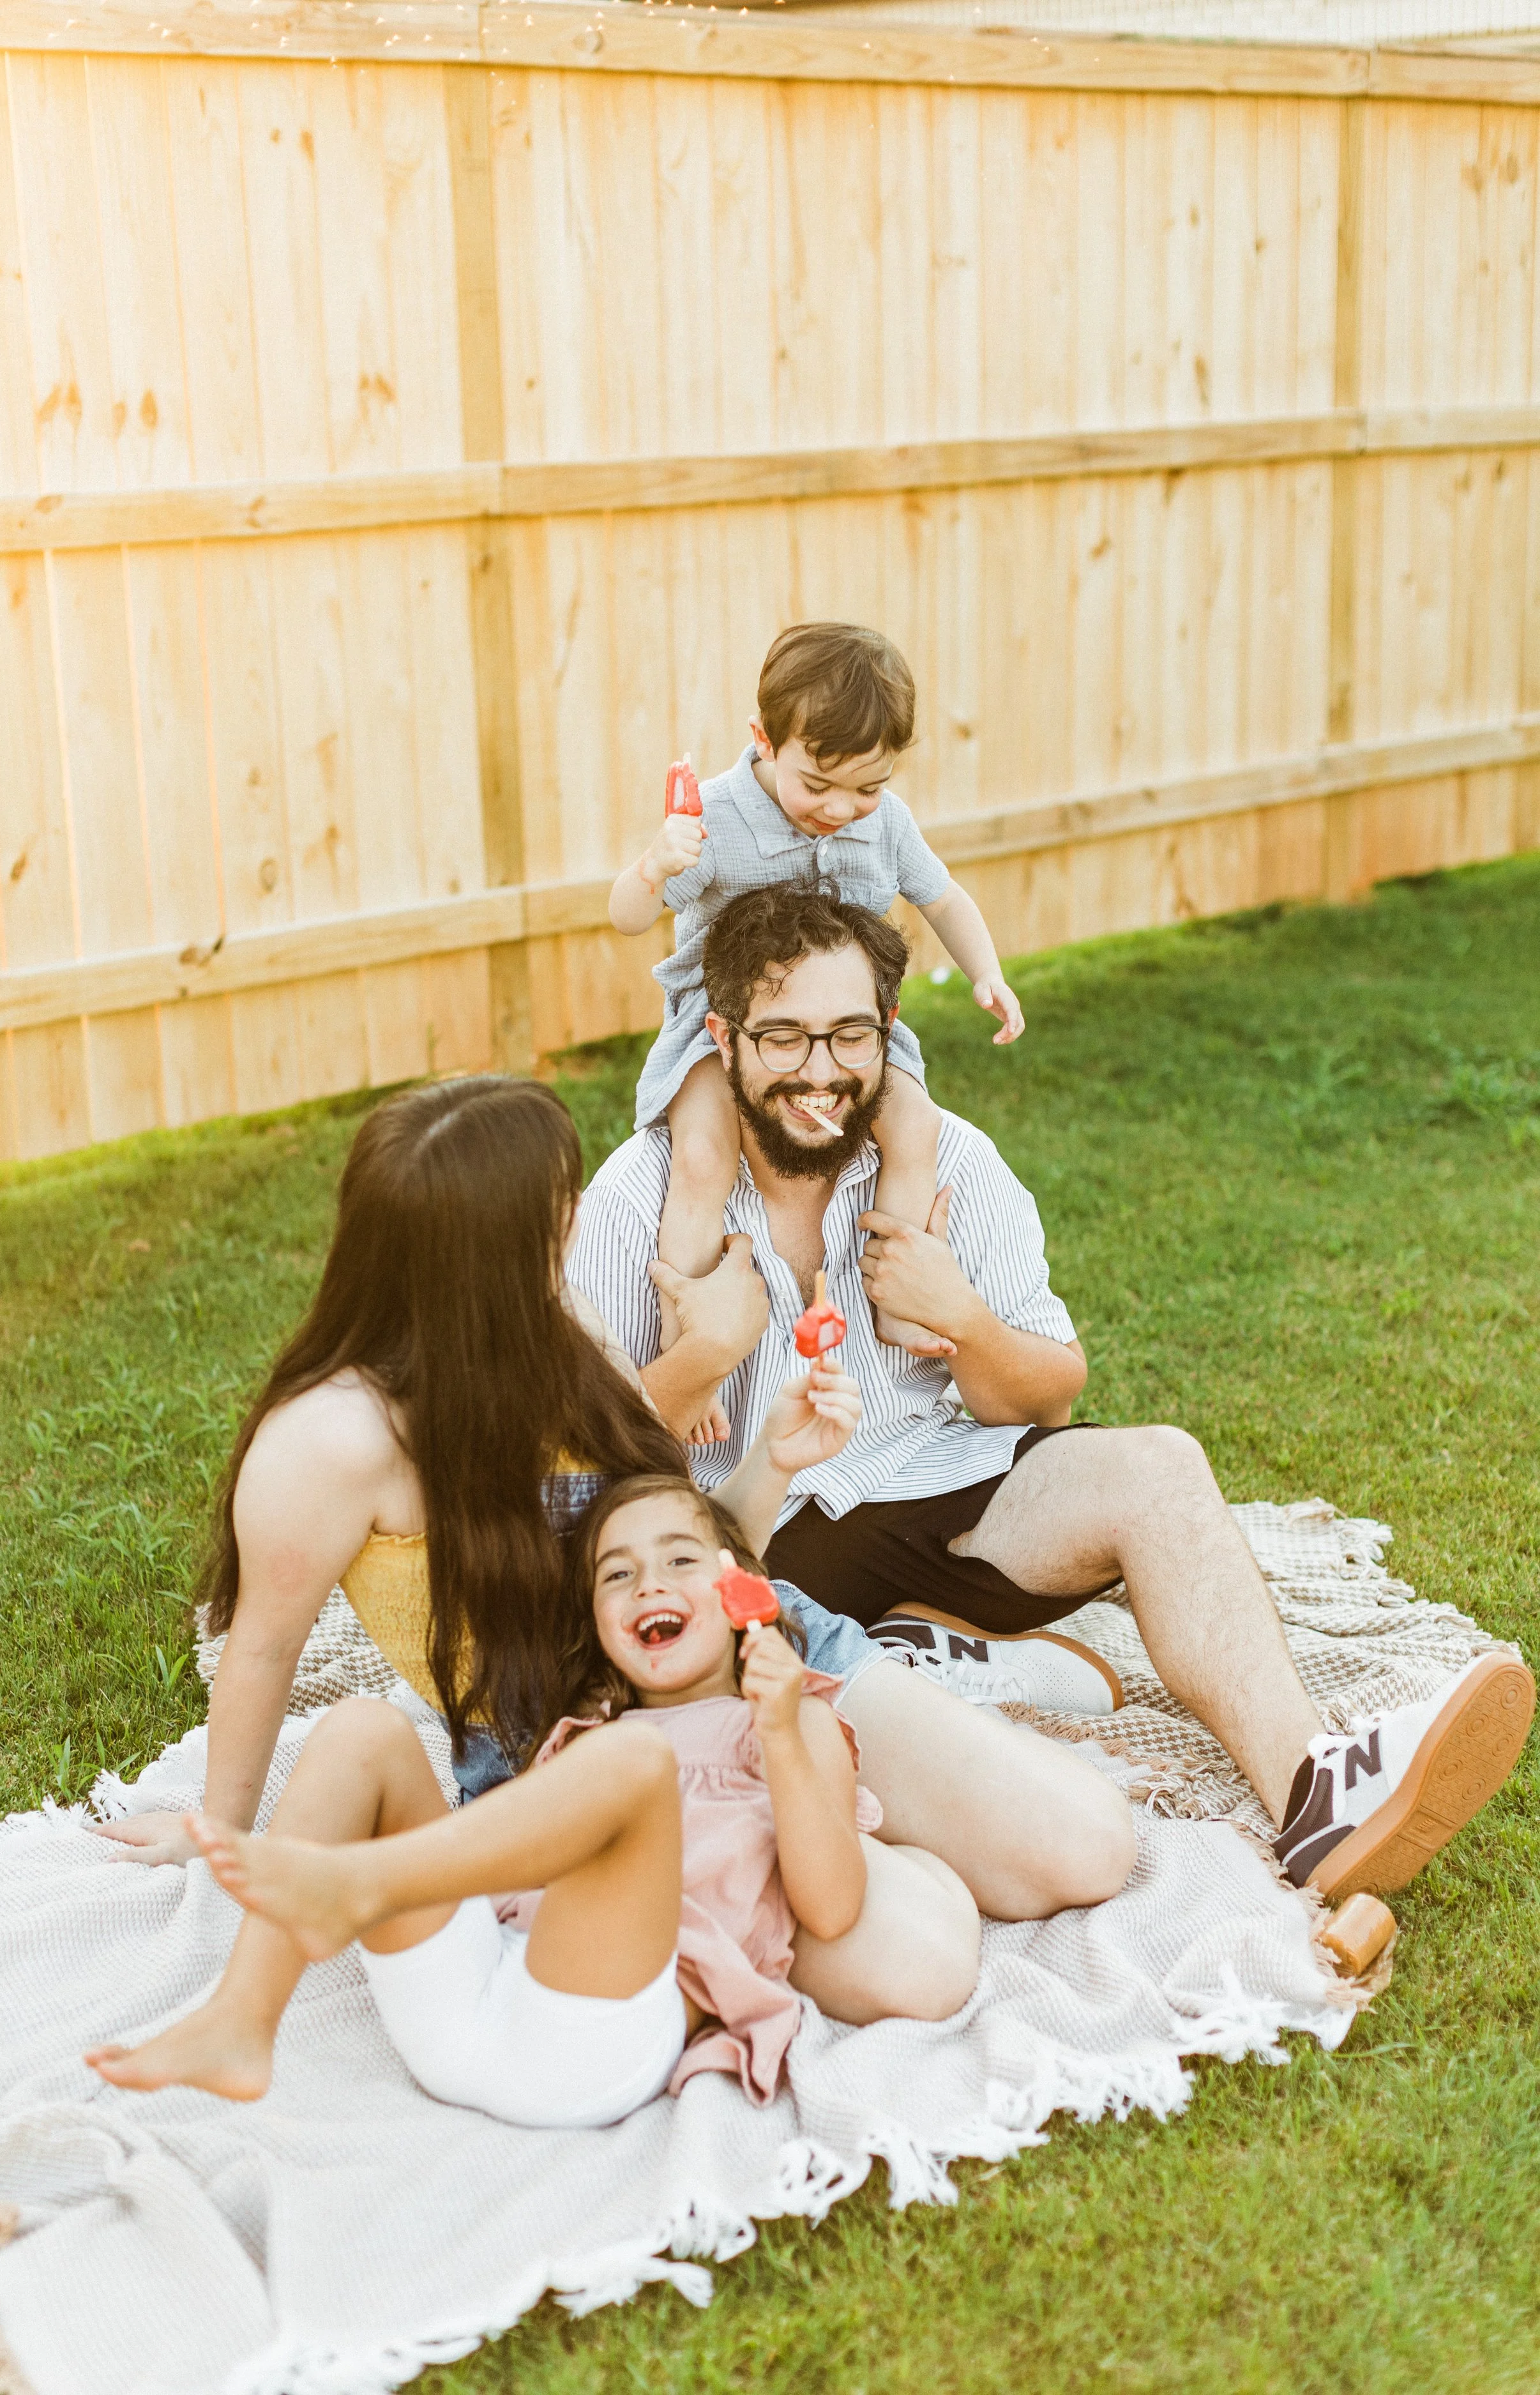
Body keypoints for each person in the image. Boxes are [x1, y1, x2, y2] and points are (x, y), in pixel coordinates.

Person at [567, 884, 1536, 1906]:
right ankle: (916, 1658)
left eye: (850, 1035)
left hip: (936, 1496)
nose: (821, 1071)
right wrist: (708, 1352)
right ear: (723, 1037)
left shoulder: (954, 1160)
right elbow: (585, 1470)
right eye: (783, 1038)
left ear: (889, 1028)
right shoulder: (638, 1199)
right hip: (754, 1552)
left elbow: (1049, 1399)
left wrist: (965, 1320)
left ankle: (1314, 1789)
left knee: (1158, 1466)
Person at [93, 1074, 992, 2016]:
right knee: (918, 1968)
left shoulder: (566, 1327)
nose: (578, 1214)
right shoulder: (329, 1441)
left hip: (749, 1671)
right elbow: (263, 1645)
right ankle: (855, 1840)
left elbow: (688, 1550)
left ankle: (870, 1814)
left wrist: (772, 1453)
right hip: (579, 1759)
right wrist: (218, 1826)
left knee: (1072, 1852)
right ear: (484, 1247)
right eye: (558, 1201)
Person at [86, 1477, 980, 2119]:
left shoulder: (791, 1722)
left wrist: (780, 1730)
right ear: (595, 1622)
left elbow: (831, 1905)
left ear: (743, 1593)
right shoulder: (588, 1735)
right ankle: (244, 2016)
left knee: (636, 1765)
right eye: (616, 1575)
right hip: (468, 1989)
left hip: (592, 2033)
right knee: (364, 1728)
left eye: (680, 1559)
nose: (649, 1583)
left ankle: (360, 1882)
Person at [607, 622, 1025, 1365]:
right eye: (818, 785)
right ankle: (687, 1334)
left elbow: (943, 897)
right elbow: (627, 917)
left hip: (845, 1026)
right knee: (700, 1158)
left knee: (915, 1127)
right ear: (764, 741)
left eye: (867, 787)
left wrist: (985, 971)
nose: (839, 809)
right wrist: (654, 865)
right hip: (723, 1031)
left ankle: (896, 1300)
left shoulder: (886, 825)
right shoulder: (714, 817)